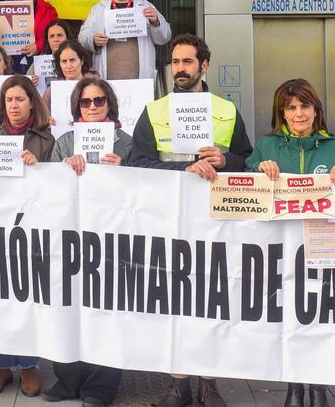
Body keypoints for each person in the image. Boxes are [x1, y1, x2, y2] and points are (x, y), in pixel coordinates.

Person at [128, 34, 252, 407]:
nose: (180, 69)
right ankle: (177, 383)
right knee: (176, 301)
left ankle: (209, 383)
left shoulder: (227, 111)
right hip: (170, 219)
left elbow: (246, 159)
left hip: (217, 220)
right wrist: (186, 167)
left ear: (204, 65)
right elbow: (137, 164)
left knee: (213, 300)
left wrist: (224, 161)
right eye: (175, 63)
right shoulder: (154, 111)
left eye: (187, 62)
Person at [243, 78, 335, 407]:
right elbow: (244, 185)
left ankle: (317, 388)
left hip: (323, 248)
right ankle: (293, 387)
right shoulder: (267, 146)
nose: (299, 113)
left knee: (318, 319)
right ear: (282, 112)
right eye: (291, 107)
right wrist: (259, 169)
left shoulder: (334, 148)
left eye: (305, 105)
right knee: (288, 321)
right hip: (281, 252)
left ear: (315, 109)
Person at [41, 77, 130, 407]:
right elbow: (48, 187)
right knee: (68, 309)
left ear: (110, 105)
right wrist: (65, 169)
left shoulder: (126, 143)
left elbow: (143, 191)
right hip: (71, 240)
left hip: (111, 241)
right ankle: (68, 379)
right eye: (86, 102)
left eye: (99, 101)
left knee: (107, 312)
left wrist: (125, 171)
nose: (92, 107)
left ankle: (102, 386)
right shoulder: (65, 141)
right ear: (77, 107)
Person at [0, 74, 53, 397]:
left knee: (27, 294)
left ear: (31, 102)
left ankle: (29, 365)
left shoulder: (46, 139)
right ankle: (2, 364)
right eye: (9, 100)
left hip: (30, 228)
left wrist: (38, 168)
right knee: (1, 296)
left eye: (20, 99)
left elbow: (56, 183)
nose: (14, 105)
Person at [79, 0, 171, 80]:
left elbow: (164, 38)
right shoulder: (98, 8)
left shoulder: (145, 6)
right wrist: (93, 39)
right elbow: (82, 36)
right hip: (107, 79)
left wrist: (156, 22)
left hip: (140, 80)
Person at [41, 39, 98, 107]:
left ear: (82, 61)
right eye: (64, 61)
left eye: (72, 60)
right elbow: (44, 116)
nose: (68, 66)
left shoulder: (98, 85)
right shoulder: (51, 92)